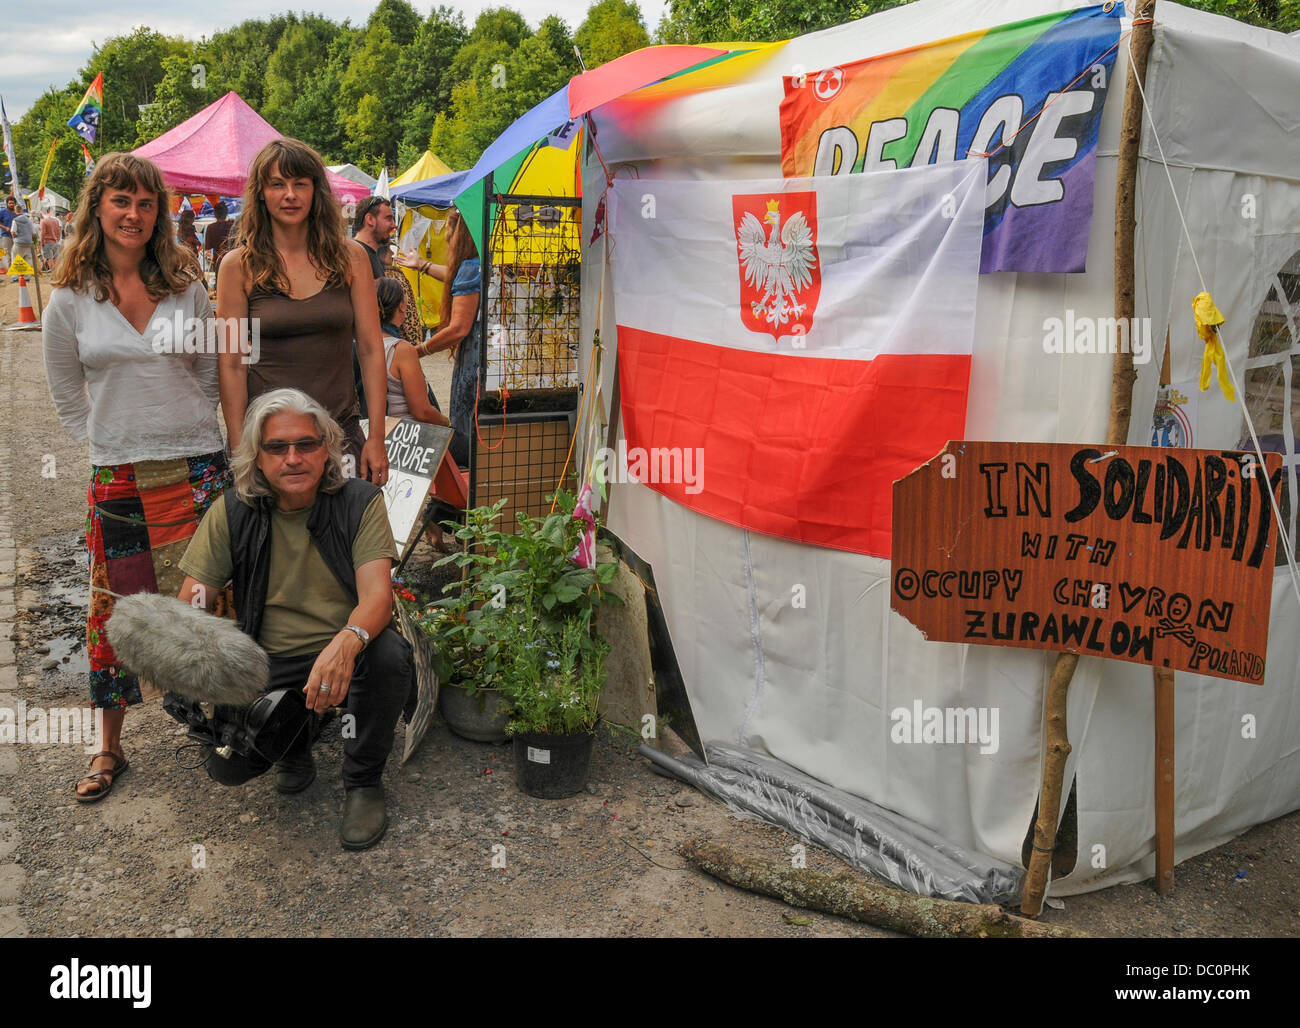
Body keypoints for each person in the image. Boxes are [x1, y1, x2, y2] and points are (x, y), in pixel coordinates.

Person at [42, 152, 229, 802]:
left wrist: (180, 430)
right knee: (115, 614)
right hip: (119, 477)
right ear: (98, 207)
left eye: (146, 203)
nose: (134, 214)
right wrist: (114, 442)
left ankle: (223, 718)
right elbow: (67, 396)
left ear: (160, 214)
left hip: (198, 468)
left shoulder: (185, 286)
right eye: (121, 201)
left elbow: (208, 377)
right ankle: (108, 746)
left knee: (210, 601)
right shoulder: (69, 298)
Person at [177, 388, 410, 850]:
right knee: (229, 766)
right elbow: (194, 598)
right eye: (277, 447)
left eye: (306, 444)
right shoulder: (233, 511)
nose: (293, 458)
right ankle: (292, 748)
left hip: (344, 648)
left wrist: (346, 642)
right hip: (267, 659)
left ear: (326, 450)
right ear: (256, 459)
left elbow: (377, 598)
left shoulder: (359, 502)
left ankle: (363, 781)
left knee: (388, 655)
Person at [217, 137, 389, 484]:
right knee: (271, 538)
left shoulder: (351, 258)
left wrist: (377, 438)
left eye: (300, 183)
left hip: (338, 434)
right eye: (277, 184)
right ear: (261, 194)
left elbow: (371, 350)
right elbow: (232, 363)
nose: (290, 194)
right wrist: (240, 452)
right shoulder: (238, 267)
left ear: (315, 191)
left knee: (346, 536)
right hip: (270, 443)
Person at [396, 209, 480, 461]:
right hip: (488, 359)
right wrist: (423, 265)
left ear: (459, 235)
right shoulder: (480, 262)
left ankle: (468, 478)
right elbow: (457, 278)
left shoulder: (470, 267)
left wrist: (419, 350)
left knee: (467, 423)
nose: (446, 239)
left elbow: (458, 329)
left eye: (449, 232)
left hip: (476, 362)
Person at [376, 277, 449, 427]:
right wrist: (447, 422)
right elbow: (422, 412)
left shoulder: (361, 346)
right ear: (402, 307)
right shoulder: (401, 350)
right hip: (406, 436)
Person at [352, 195, 395, 279]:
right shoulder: (355, 257)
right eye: (388, 218)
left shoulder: (369, 255)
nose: (394, 225)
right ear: (370, 219)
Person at [203, 200, 233, 283]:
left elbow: (208, 246)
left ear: (215, 214)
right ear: (226, 213)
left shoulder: (211, 228)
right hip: (232, 259)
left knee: (220, 284)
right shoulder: (232, 225)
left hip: (218, 260)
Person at [10, 202, 36, 279]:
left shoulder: (15, 220)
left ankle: (15, 276)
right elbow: (34, 233)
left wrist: (15, 238)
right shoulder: (29, 220)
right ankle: (27, 276)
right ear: (22, 210)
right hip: (28, 242)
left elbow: (13, 232)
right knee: (28, 259)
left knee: (16, 258)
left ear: (15, 211)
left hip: (19, 242)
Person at [40, 207, 63, 271]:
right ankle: (57, 273)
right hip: (55, 241)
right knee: (55, 258)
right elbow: (59, 231)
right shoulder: (56, 220)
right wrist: (57, 239)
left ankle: (54, 274)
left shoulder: (43, 221)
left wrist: (42, 242)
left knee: (49, 259)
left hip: (47, 241)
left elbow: (43, 233)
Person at [1, 195, 16, 270]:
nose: (11, 205)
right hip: (5, 235)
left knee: (14, 253)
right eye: (10, 203)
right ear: (7, 204)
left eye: (13, 203)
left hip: (16, 236)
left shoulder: (17, 212)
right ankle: (9, 270)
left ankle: (13, 268)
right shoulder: (2, 212)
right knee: (6, 253)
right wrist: (5, 228)